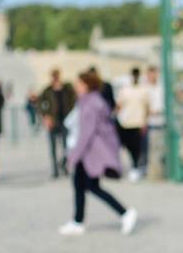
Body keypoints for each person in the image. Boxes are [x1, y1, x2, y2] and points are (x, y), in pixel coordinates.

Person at [59, 70, 137, 236]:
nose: (76, 87)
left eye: (79, 84)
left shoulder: (91, 103)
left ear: (87, 85)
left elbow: (86, 133)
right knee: (79, 185)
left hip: (91, 153)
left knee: (91, 186)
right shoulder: (88, 101)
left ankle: (125, 213)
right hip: (87, 153)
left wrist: (73, 156)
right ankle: (77, 221)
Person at [38, 69, 76, 178]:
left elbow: (74, 98)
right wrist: (45, 116)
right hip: (53, 121)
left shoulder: (66, 88)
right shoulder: (48, 90)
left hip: (65, 120)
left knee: (67, 146)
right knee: (53, 146)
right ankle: (55, 169)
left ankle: (64, 165)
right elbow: (40, 103)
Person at [116, 67, 150, 182]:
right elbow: (119, 106)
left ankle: (135, 167)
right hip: (125, 123)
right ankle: (129, 166)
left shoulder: (143, 90)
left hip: (138, 123)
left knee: (137, 148)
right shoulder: (125, 90)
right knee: (127, 147)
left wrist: (144, 122)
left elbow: (146, 107)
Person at [140, 65, 165, 179]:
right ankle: (153, 174)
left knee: (160, 149)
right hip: (151, 122)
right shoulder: (144, 88)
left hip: (162, 121)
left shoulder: (161, 88)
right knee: (150, 149)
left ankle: (161, 173)